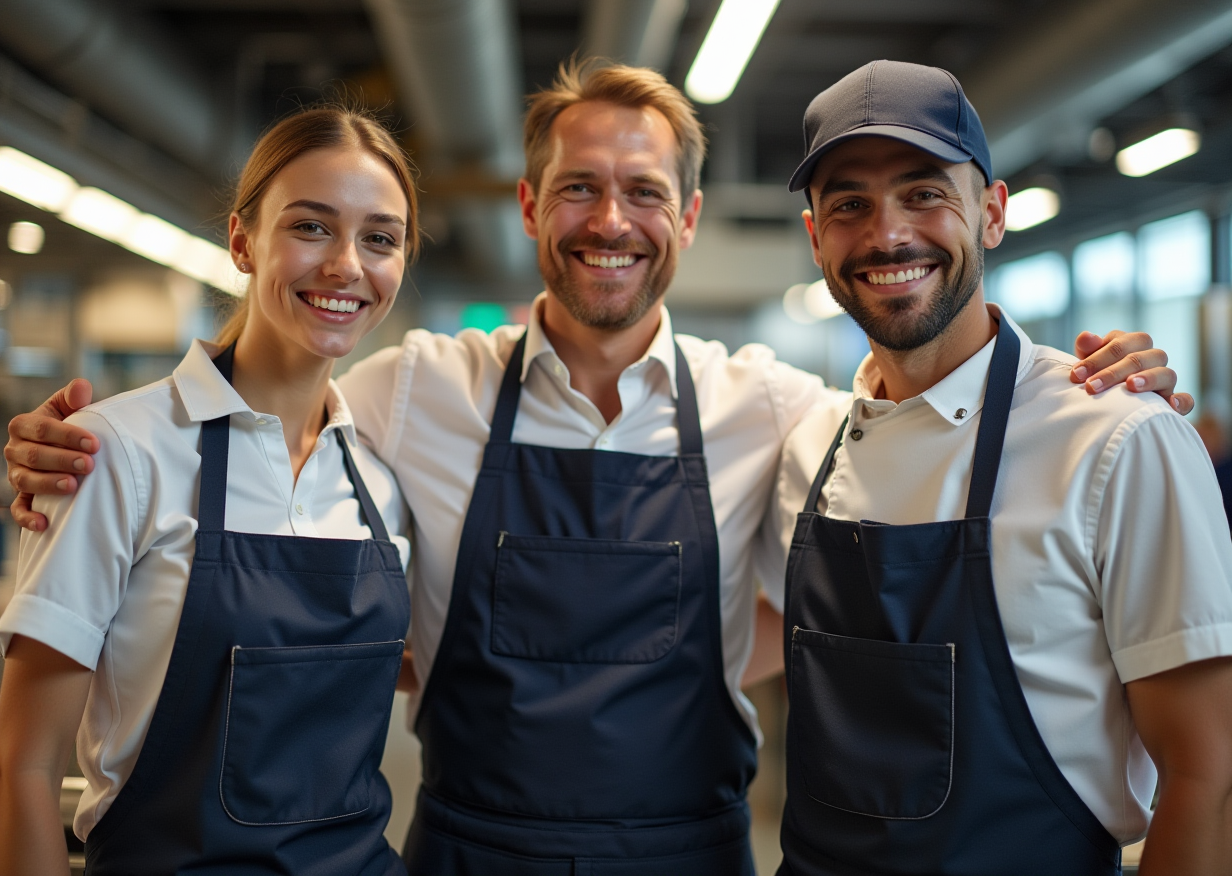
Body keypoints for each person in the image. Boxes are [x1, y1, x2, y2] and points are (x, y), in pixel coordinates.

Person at [4, 61, 1189, 874]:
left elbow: (904, 472)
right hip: (470, 849)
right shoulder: (412, 388)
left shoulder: (778, 412)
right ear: (528, 205)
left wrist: (1093, 384)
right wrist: (80, 441)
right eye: (576, 187)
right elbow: (267, 397)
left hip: (691, 851)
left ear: (685, 218)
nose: (606, 219)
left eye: (641, 192)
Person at [771, 60, 1232, 876]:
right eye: (849, 204)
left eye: (924, 192)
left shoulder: (1117, 437)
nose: (887, 235)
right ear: (815, 238)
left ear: (991, 213)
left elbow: (1209, 775)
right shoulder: (807, 444)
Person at [0, 104, 419, 875]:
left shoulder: (381, 482)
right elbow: (23, 768)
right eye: (310, 227)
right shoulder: (119, 453)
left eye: (380, 239)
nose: (346, 266)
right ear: (241, 242)